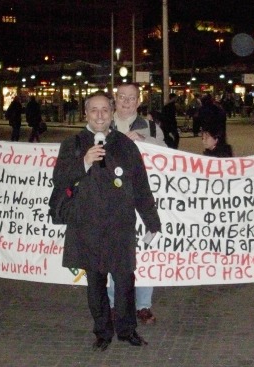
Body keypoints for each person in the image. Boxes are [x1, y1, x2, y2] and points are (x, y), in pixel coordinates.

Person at [49, 91, 161, 351]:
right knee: (96, 284)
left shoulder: (124, 144)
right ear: (85, 113)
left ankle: (127, 330)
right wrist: (84, 162)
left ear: (111, 114)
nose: (99, 115)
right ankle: (102, 332)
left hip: (119, 227)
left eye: (104, 110)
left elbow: (140, 185)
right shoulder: (73, 144)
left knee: (124, 282)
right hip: (87, 228)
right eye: (94, 110)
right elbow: (60, 179)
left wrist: (151, 220)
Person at [109, 82, 166, 325]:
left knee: (145, 251)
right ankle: (114, 304)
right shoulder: (103, 123)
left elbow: (166, 153)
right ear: (115, 99)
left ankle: (143, 305)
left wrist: (145, 140)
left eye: (131, 98)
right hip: (111, 201)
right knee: (114, 253)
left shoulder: (150, 126)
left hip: (142, 199)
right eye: (122, 97)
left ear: (138, 101)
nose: (126, 101)